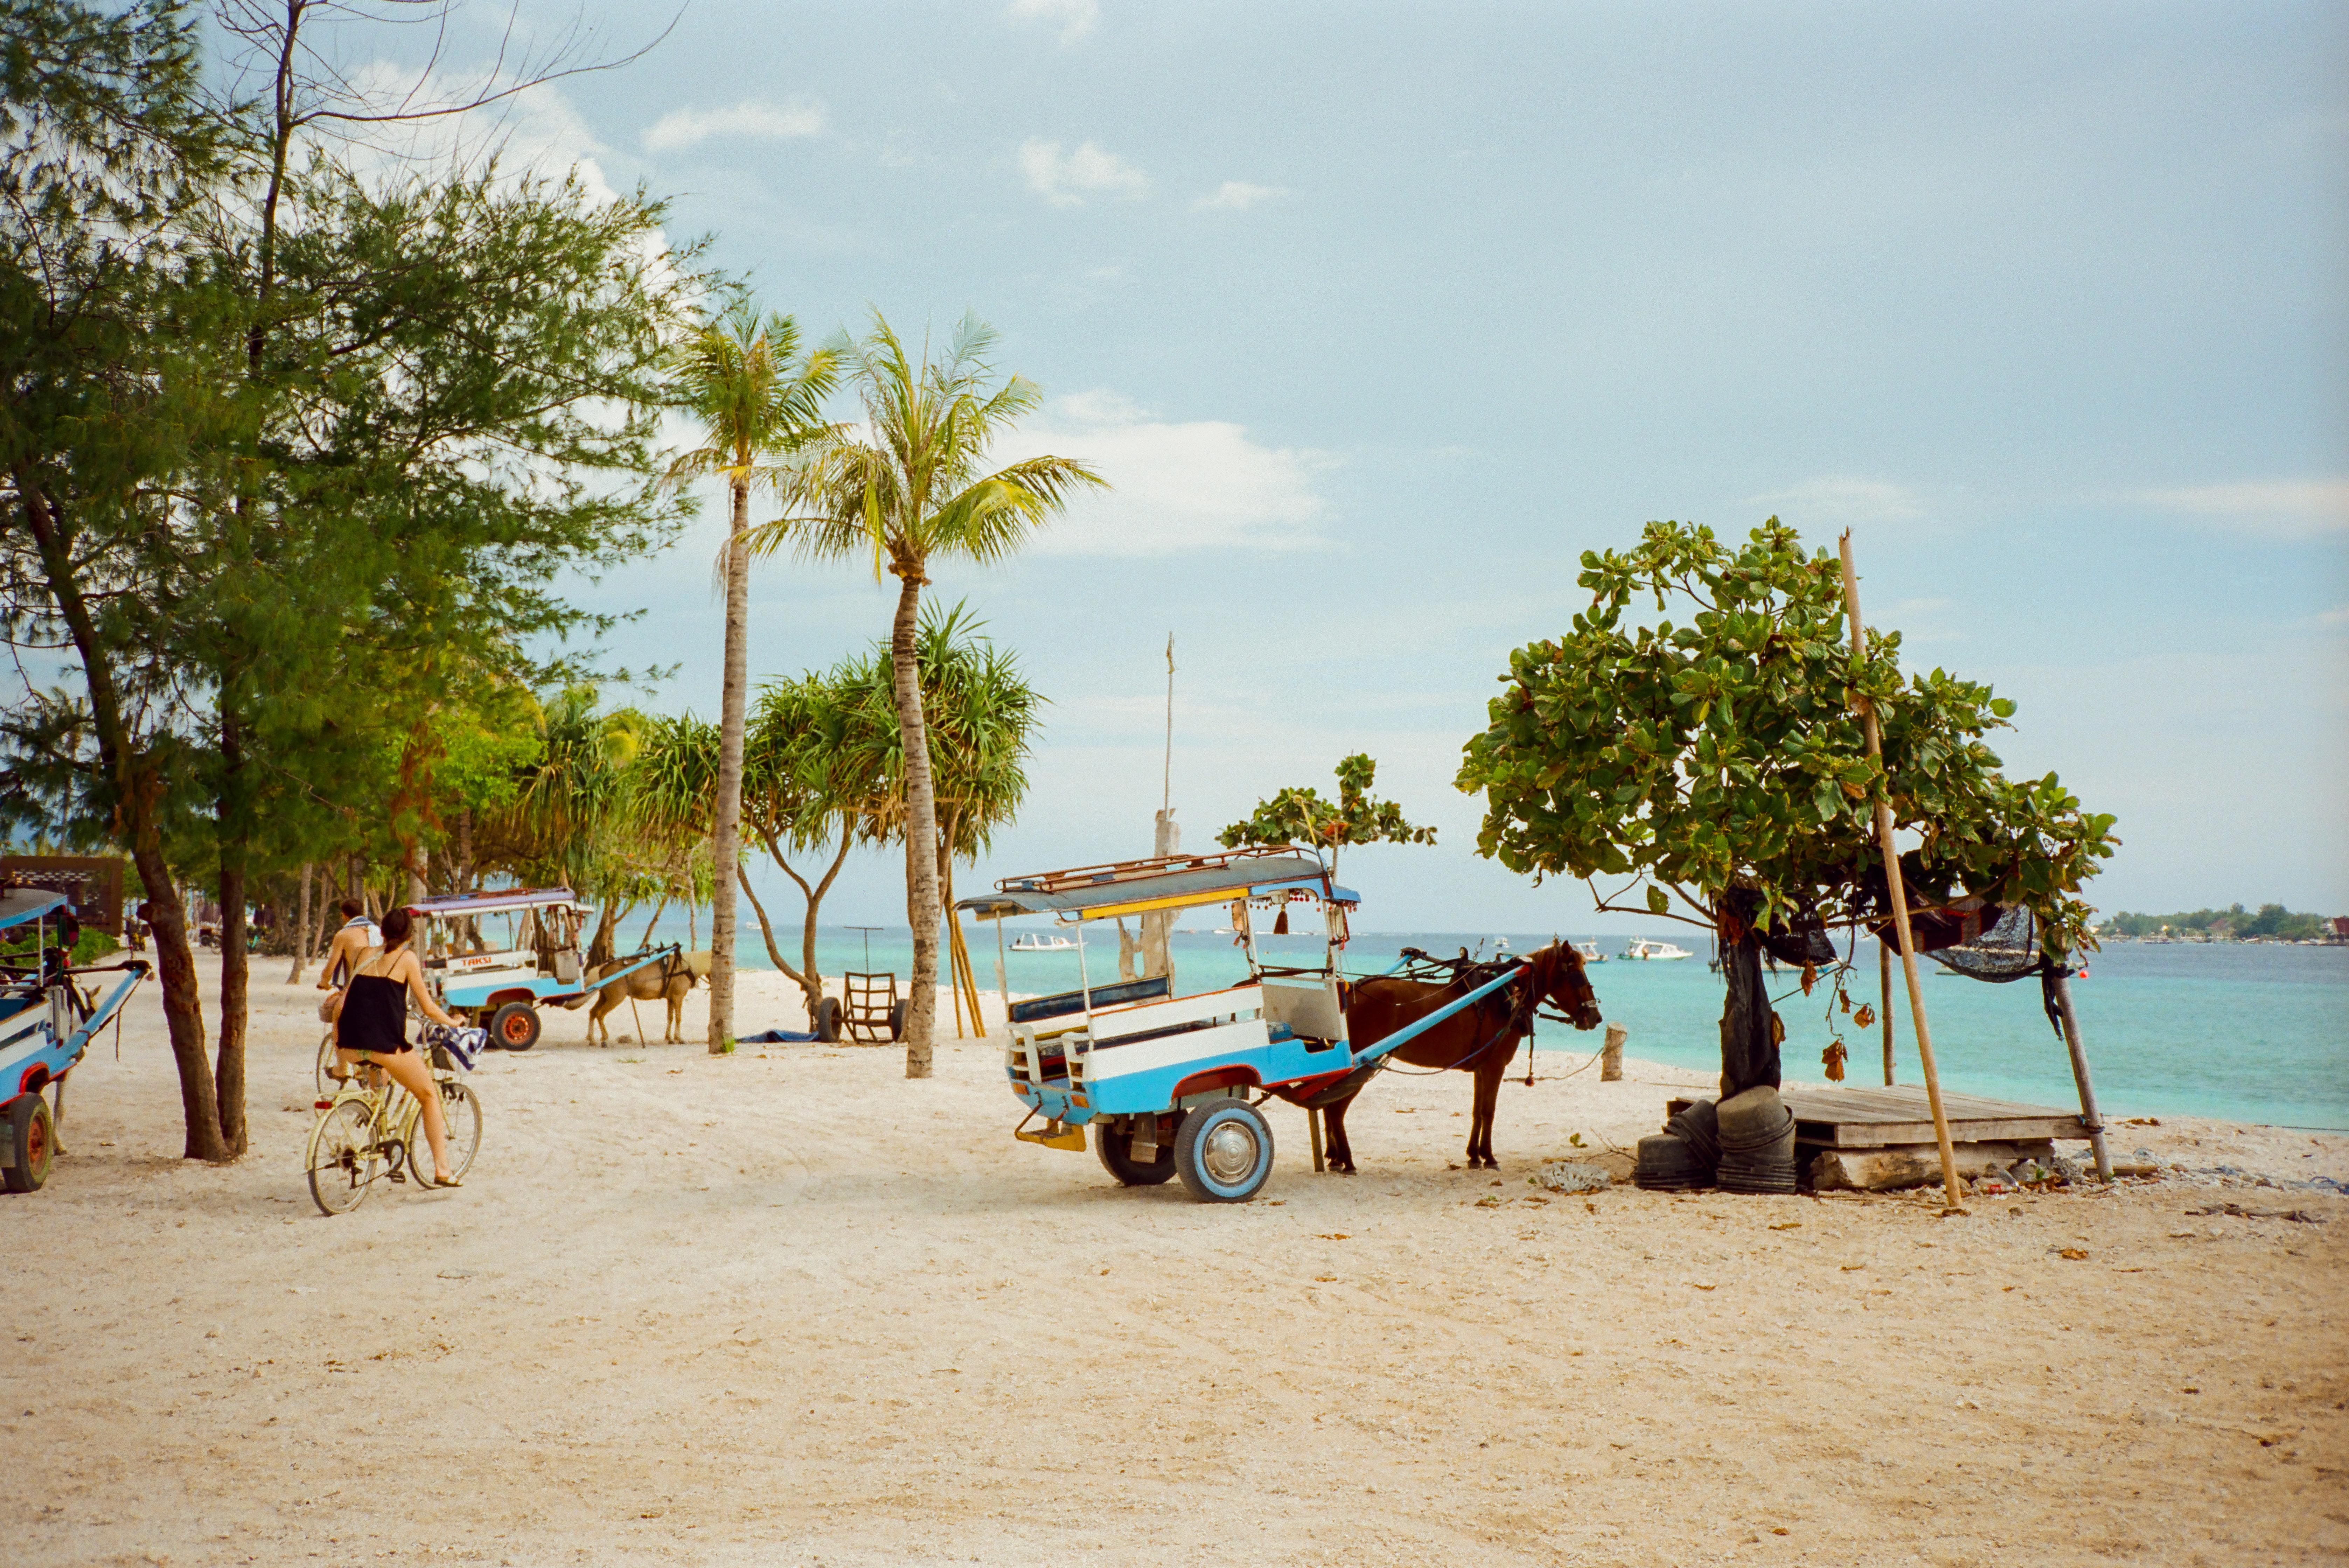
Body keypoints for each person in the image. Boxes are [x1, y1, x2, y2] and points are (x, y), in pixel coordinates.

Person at [328, 906, 465, 1187]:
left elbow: (360, 998)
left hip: (350, 1046)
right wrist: (454, 1022)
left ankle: (379, 1133)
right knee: (428, 1095)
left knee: (381, 1079)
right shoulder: (407, 958)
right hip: (384, 1046)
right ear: (409, 936)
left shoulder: (363, 954)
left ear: (381, 931)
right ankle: (442, 1169)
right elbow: (427, 1007)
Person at [316, 900, 381, 991]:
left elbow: (332, 964)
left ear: (345, 915)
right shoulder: (378, 931)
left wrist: (324, 981)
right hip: (379, 985)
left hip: (357, 987)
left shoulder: (343, 935)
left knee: (329, 1005)